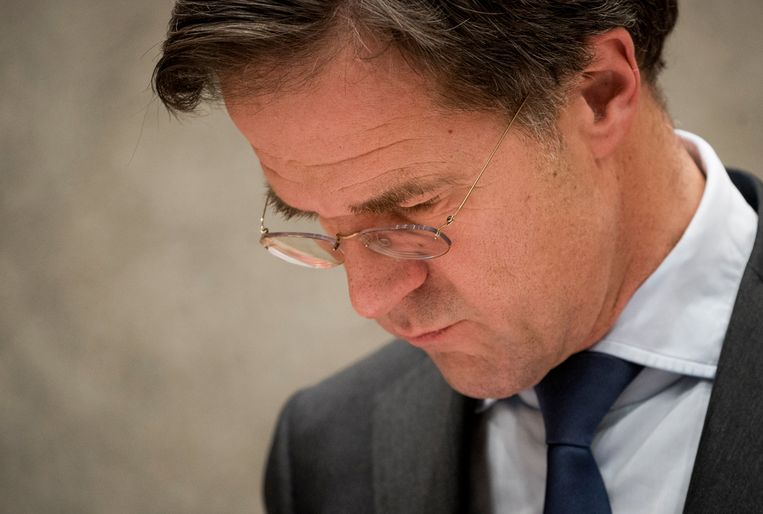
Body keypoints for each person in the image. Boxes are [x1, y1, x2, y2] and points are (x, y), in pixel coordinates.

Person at [152, 1, 763, 512]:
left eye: (411, 211)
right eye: (319, 224)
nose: (368, 300)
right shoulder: (327, 451)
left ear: (598, 92)